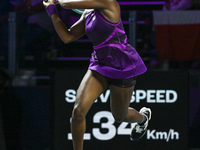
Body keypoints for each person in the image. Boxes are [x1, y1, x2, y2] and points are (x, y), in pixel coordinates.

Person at [43, 0, 152, 149]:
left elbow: (67, 4)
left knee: (120, 116)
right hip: (99, 65)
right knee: (78, 112)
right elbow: (67, 37)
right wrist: (53, 13)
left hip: (123, 66)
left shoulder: (109, 3)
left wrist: (56, 1)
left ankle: (142, 119)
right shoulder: (88, 13)